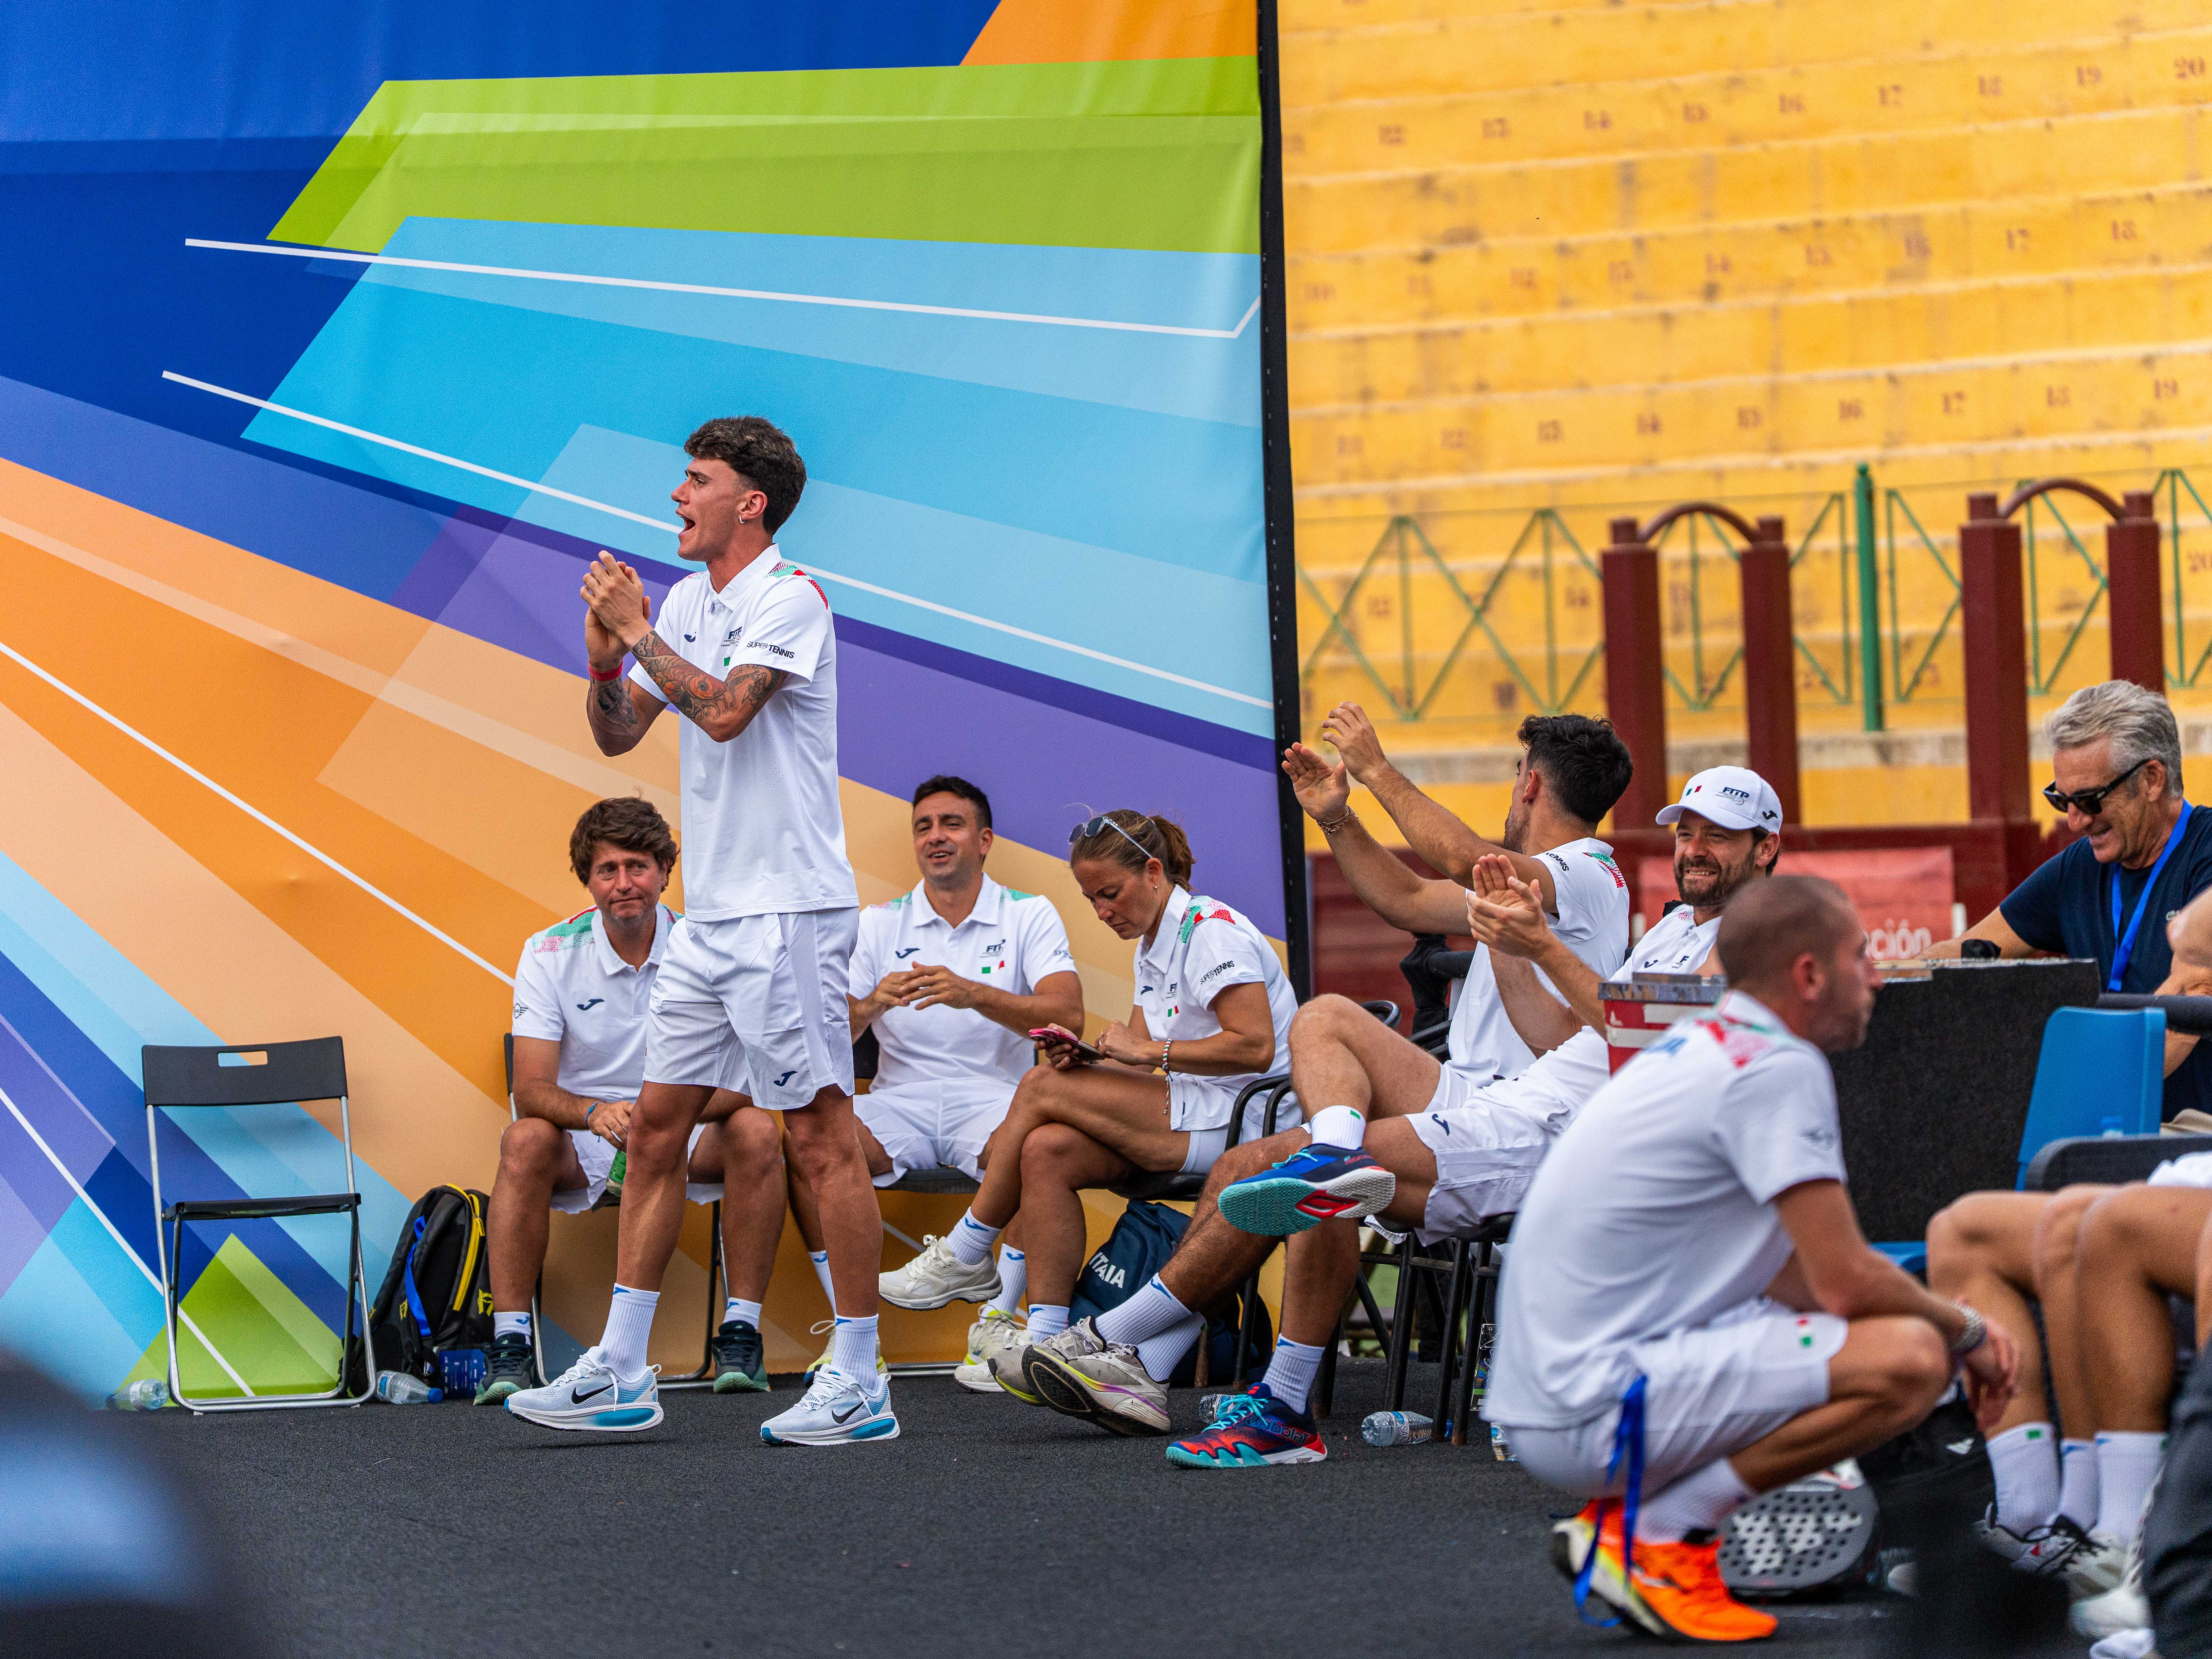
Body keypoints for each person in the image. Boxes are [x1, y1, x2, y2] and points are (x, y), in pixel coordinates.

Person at [1010, 768, 1783, 1447]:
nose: (1694, 849)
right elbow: (1558, 1035)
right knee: (1324, 1024)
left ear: (1766, 848)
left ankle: (1126, 1344)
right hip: (1513, 1096)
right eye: (1686, 832)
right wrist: (1512, 943)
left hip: (1559, 1137)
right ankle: (1315, 1184)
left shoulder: (1747, 930)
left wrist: (1538, 940)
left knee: (1298, 1173)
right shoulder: (1675, 926)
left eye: (1718, 836)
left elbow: (1647, 1038)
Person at [1487, 877, 2020, 1643]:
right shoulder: (1775, 1064)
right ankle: (1654, 1536)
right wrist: (1968, 1330)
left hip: (1550, 1398)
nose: (1875, 978)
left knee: (1891, 1338)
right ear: (1809, 974)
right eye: (1861, 957)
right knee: (1910, 1358)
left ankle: (1644, 1532)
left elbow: (1789, 1275)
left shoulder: (1701, 1043)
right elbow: (1843, 1281)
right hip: (1589, 1407)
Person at [506, 416, 894, 1446]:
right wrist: (604, 663)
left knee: (817, 1135)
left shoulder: (792, 597)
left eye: (697, 479)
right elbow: (621, 732)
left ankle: (862, 1377)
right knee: (657, 1127)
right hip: (713, 921)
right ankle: (622, 1368)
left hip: (789, 911)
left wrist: (637, 632)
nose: (677, 496)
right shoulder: (684, 601)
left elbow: (723, 712)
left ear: (748, 502)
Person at [875, 810, 1294, 1390]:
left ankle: (968, 1248)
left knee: (1040, 1084)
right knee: (1046, 1148)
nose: (1102, 911)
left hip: (1252, 1123)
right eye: (1091, 898)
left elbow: (1254, 1045)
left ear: (1154, 872)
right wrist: (1092, 1061)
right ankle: (1045, 1341)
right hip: (1194, 1108)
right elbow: (1139, 1061)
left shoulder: (1211, 929)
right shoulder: (1152, 942)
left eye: (1110, 893)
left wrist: (1145, 1052)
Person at [1927, 881, 2212, 1578]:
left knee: (2107, 1225)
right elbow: (2185, 962)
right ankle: (2046, 1516)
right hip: (2190, 1154)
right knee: (1970, 1227)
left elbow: (2177, 993)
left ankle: (2126, 1538)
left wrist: (2184, 974)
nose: (2076, 823)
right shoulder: (2083, 869)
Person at [479, 797, 788, 1405]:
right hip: (592, 1135)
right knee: (523, 1137)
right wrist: (595, 1113)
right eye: (608, 869)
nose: (624, 883)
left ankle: (741, 1333)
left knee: (756, 1129)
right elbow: (530, 1087)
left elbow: (755, 1075)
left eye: (639, 866)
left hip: (688, 1128)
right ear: (588, 880)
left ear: (666, 871)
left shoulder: (711, 945)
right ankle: (510, 1344)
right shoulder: (547, 950)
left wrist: (662, 1116)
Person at [794, 774, 1082, 1393]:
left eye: (951, 823)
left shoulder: (1027, 912)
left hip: (996, 1101)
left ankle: (997, 1328)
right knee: (806, 1141)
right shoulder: (879, 922)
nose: (935, 836)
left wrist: (973, 992)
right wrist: (872, 1003)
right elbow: (829, 1034)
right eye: (923, 826)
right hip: (899, 1102)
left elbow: (1069, 1016)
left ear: (985, 839)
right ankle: (855, 1335)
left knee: (1043, 1148)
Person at [1284, 702, 1634, 1095]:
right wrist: (1334, 817)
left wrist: (1375, 770)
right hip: (1468, 1091)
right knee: (1320, 1029)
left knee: (1323, 1020)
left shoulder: (1589, 869)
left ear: (1531, 785)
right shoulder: (1530, 880)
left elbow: (1463, 859)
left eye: (1517, 775)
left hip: (1526, 1100)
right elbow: (1408, 900)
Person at [1925, 680, 2212, 1119]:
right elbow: (1959, 953)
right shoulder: (2080, 866)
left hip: (2193, 1131)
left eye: (2088, 800)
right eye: (2061, 800)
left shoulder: (2204, 851)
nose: (2075, 821)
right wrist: (1880, 980)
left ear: (2151, 780)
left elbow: (2192, 995)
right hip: (2116, 1126)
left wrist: (2079, 1100)